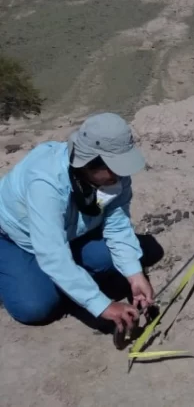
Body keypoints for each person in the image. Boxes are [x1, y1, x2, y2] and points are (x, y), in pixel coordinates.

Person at [0, 112, 163, 333]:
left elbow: (117, 224)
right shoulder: (45, 183)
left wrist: (135, 276)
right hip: (15, 239)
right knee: (35, 307)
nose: (120, 175)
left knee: (134, 255)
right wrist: (103, 305)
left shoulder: (116, 177)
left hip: (70, 235)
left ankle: (67, 282)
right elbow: (52, 252)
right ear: (88, 163)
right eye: (112, 167)